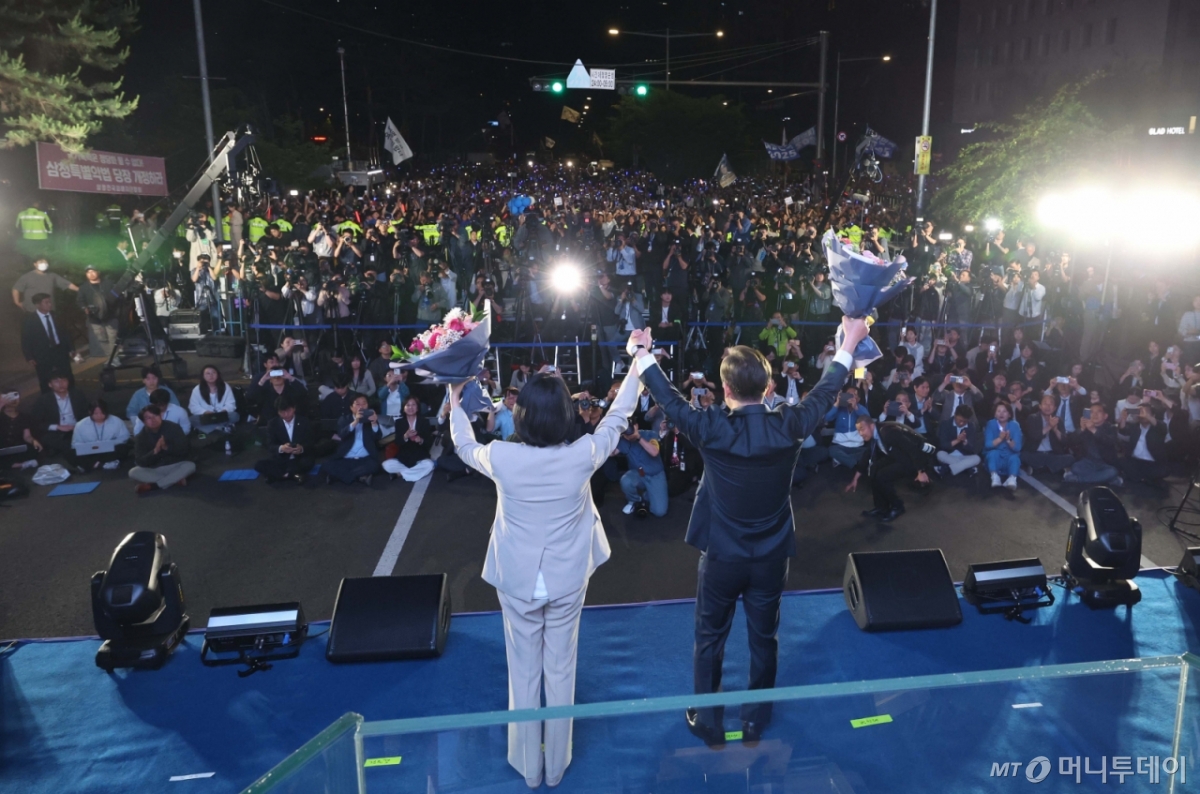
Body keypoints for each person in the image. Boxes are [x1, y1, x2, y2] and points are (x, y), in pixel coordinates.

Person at [628, 317, 869, 747]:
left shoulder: (710, 427)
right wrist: (849, 341)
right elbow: (827, 389)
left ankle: (708, 720)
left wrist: (642, 352)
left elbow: (669, 399)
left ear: (724, 390)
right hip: (772, 556)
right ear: (768, 386)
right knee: (764, 639)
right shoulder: (790, 425)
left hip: (722, 555)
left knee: (709, 637)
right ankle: (756, 720)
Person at [445, 341, 645, 788]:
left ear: (523, 416)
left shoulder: (502, 456)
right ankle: (556, 766)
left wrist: (454, 402)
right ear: (565, 416)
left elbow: (463, 445)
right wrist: (637, 364)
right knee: (561, 668)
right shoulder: (582, 455)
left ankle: (528, 768)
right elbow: (618, 416)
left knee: (523, 669)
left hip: (516, 578)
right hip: (567, 577)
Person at [845, 415, 936, 521]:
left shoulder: (888, 432)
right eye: (858, 431)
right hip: (896, 456)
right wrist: (855, 479)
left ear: (871, 426)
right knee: (873, 469)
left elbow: (912, 449)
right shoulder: (874, 435)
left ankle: (898, 507)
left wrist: (921, 471)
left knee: (882, 476)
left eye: (862, 429)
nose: (861, 434)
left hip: (911, 460)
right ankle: (881, 507)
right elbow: (867, 455)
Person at [130, 405, 194, 494]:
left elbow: (185, 450)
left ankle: (154, 486)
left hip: (175, 464)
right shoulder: (141, 437)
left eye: (155, 416)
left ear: (161, 416)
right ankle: (174, 480)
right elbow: (140, 461)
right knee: (133, 472)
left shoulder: (173, 427)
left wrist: (166, 448)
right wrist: (155, 452)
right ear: (143, 421)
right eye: (148, 418)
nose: (153, 420)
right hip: (155, 468)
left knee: (190, 466)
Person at [325, 395, 385, 485]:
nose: (361, 407)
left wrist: (374, 423)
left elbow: (378, 437)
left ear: (368, 406)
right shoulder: (344, 419)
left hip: (365, 458)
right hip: (346, 458)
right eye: (357, 404)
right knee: (327, 464)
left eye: (364, 404)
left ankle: (339, 476)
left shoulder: (371, 419)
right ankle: (361, 477)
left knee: (375, 466)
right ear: (351, 407)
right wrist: (356, 421)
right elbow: (342, 434)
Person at [21, 293, 75, 393]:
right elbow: (26, 339)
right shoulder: (30, 320)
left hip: (59, 350)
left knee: (67, 374)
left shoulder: (57, 315)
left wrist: (71, 349)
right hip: (42, 353)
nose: (50, 304)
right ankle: (49, 400)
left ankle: (71, 395)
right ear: (37, 305)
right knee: (45, 378)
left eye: (50, 302)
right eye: (46, 302)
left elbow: (66, 333)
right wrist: (29, 356)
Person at [254, 396, 314, 484]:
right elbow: (270, 445)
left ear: (294, 408)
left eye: (289, 411)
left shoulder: (304, 421)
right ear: (278, 412)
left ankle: (278, 476)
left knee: (308, 462)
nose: (286, 414)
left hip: (299, 458)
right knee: (258, 465)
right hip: (281, 459)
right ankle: (292, 475)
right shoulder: (272, 424)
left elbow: (310, 442)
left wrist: (301, 448)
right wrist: (281, 448)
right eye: (282, 412)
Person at [30, 371, 88, 457]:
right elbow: (35, 422)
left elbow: (86, 413)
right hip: (56, 432)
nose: (61, 384)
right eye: (56, 381)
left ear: (68, 382)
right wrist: (57, 427)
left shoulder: (77, 395)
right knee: (62, 444)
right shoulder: (43, 400)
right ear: (50, 384)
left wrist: (79, 425)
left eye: (64, 380)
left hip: (76, 428)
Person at [618, 420, 667, 517]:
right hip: (638, 474)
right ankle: (634, 500)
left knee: (659, 512)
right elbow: (611, 453)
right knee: (626, 480)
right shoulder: (623, 440)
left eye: (631, 427)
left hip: (655, 475)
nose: (628, 432)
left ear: (636, 425)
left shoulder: (650, 434)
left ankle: (648, 495)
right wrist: (615, 434)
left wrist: (638, 437)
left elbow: (654, 452)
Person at [382, 396, 436, 481]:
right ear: (404, 408)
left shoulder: (424, 421)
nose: (410, 407)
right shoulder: (399, 422)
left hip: (420, 457)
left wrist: (421, 440)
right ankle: (412, 473)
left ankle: (400, 474)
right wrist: (405, 436)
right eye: (408, 405)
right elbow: (397, 442)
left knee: (429, 464)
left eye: (413, 405)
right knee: (386, 465)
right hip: (404, 458)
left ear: (417, 408)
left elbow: (429, 442)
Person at [1021, 394, 1076, 475]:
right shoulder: (1032, 418)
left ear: (1054, 408)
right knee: (1022, 455)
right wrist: (1049, 426)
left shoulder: (1058, 420)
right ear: (1040, 406)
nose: (1048, 406)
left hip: (1052, 454)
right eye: (1045, 403)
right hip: (1036, 453)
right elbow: (1034, 437)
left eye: (1051, 404)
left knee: (1070, 458)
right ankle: (1050, 468)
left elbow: (1064, 441)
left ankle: (1039, 468)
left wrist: (1055, 430)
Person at [70, 399, 131, 470]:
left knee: (123, 448)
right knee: (70, 453)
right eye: (96, 413)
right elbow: (75, 444)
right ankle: (104, 464)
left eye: (102, 413)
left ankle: (90, 464)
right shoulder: (80, 424)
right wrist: (91, 446)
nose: (99, 416)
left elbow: (124, 437)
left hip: (109, 450)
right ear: (90, 412)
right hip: (90, 452)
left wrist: (108, 444)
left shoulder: (116, 421)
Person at [76, 265, 119, 362]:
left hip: (110, 315)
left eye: (93, 271)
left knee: (113, 337)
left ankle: (115, 358)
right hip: (94, 318)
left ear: (98, 272)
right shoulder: (83, 288)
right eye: (88, 272)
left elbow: (117, 296)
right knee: (101, 339)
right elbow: (80, 301)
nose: (91, 274)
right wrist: (85, 308)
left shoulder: (108, 284)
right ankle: (110, 357)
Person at [12, 258, 77, 313]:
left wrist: (80, 290)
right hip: (31, 310)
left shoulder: (52, 276)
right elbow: (16, 289)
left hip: (49, 309)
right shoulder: (27, 277)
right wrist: (17, 302)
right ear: (35, 264)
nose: (43, 264)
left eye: (45, 262)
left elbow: (67, 284)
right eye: (40, 262)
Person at [188, 365, 239, 434]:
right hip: (206, 416)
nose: (211, 375)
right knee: (191, 419)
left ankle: (208, 429)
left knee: (235, 415)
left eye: (213, 373)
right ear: (203, 376)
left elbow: (231, 403)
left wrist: (224, 410)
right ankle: (221, 428)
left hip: (221, 415)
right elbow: (193, 406)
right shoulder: (197, 389)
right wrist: (205, 412)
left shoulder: (225, 386)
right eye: (208, 373)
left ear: (218, 374)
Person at [984, 401, 1023, 490]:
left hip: (1009, 455)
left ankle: (1012, 478)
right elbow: (987, 445)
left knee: (1015, 458)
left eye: (1004, 411)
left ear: (1009, 414)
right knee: (993, 454)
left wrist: (1008, 440)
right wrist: (1000, 439)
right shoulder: (991, 424)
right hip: (995, 457)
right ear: (995, 414)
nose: (1001, 413)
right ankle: (994, 476)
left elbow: (1018, 448)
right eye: (998, 411)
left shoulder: (1015, 425)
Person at [935, 404, 983, 476]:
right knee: (940, 454)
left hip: (964, 455)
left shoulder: (971, 426)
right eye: (960, 420)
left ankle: (947, 468)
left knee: (977, 458)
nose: (962, 423)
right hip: (949, 454)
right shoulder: (945, 424)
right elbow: (943, 445)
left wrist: (965, 441)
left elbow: (972, 448)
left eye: (965, 421)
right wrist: (957, 440)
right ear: (955, 415)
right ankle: (966, 468)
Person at [0, 391, 42, 469]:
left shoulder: (24, 416)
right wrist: (1, 404)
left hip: (17, 446)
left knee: (35, 449)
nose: (14, 400)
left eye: (16, 397)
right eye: (10, 397)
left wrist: (33, 441)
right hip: (2, 446)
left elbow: (27, 436)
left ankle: (17, 464)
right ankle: (21, 465)